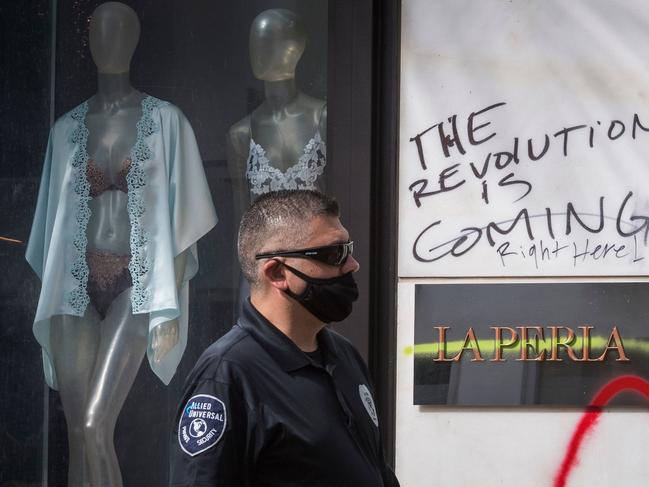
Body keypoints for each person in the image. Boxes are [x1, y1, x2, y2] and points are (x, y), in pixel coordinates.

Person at [169, 190, 399, 486]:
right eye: (334, 254)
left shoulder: (343, 355)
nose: (352, 264)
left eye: (349, 249)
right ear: (277, 272)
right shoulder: (226, 374)